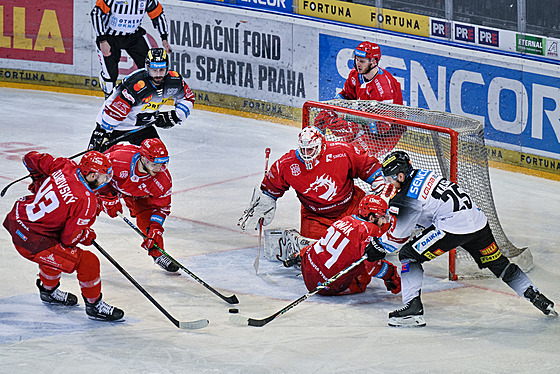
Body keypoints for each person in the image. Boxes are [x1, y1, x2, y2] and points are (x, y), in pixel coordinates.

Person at [368, 150, 557, 327]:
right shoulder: (424, 173)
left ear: (400, 176)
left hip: (453, 227)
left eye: (390, 178)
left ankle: (412, 310)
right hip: (478, 222)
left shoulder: (405, 198)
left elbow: (398, 238)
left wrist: (378, 246)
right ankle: (536, 297)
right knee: (499, 264)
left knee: (409, 254)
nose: (389, 183)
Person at [2, 150, 124, 321]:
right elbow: (69, 239)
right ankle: (94, 306)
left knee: (57, 249)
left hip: (18, 219)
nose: (105, 181)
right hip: (32, 241)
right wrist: (84, 235)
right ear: (91, 175)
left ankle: (48, 292)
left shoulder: (65, 165)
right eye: (103, 176)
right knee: (88, 262)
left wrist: (38, 181)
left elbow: (30, 158)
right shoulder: (87, 201)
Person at [238, 126, 391, 259]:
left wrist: (380, 185)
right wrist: (266, 198)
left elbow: (369, 167)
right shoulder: (286, 164)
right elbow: (270, 188)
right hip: (316, 217)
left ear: (321, 146)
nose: (306, 154)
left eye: (310, 149)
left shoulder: (341, 151)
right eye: (303, 149)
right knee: (316, 253)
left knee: (384, 231)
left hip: (351, 207)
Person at [286, 194, 401, 296]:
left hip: (307, 267)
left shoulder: (346, 219)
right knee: (363, 279)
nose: (384, 222)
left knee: (325, 246)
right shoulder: (371, 229)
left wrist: (304, 254)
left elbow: (323, 242)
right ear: (371, 217)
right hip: (325, 285)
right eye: (382, 217)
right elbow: (372, 266)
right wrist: (391, 275)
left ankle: (300, 255)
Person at [88, 48, 195, 152]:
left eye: (161, 70)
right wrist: (103, 131)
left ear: (167, 68)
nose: (158, 75)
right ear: (147, 68)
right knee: (96, 163)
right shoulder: (136, 85)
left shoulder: (174, 80)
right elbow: (115, 109)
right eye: (154, 70)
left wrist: (177, 116)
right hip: (114, 126)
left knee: (158, 158)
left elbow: (187, 98)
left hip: (142, 128)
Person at [98, 138, 179, 272]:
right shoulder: (119, 159)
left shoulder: (162, 180)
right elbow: (95, 174)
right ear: (143, 159)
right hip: (110, 185)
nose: (158, 169)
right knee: (85, 209)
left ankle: (158, 254)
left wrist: (155, 227)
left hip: (137, 193)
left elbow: (162, 208)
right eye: (154, 164)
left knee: (150, 228)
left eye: (162, 164)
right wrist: (105, 196)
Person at [91, 0, 172, 97]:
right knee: (110, 74)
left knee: (150, 68)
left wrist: (164, 38)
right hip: (109, 37)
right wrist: (102, 40)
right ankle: (109, 98)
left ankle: (149, 99)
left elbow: (158, 15)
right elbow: (96, 13)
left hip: (133, 36)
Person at [336, 41, 403, 104]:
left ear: (374, 62)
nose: (358, 64)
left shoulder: (383, 89)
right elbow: (346, 95)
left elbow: (381, 115)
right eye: (357, 60)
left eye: (362, 61)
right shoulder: (355, 73)